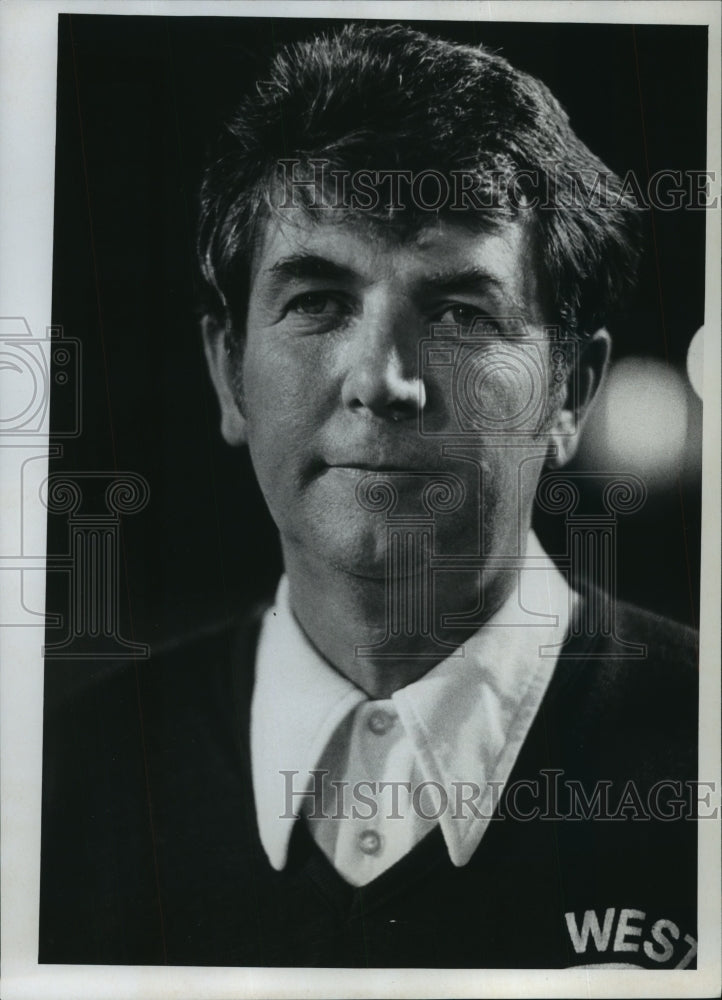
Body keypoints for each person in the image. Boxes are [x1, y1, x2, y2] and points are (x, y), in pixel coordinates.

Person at [40, 23, 698, 969]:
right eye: (318, 302)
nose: (384, 380)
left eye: (461, 313)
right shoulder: (60, 784)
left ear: (570, 391)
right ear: (228, 371)